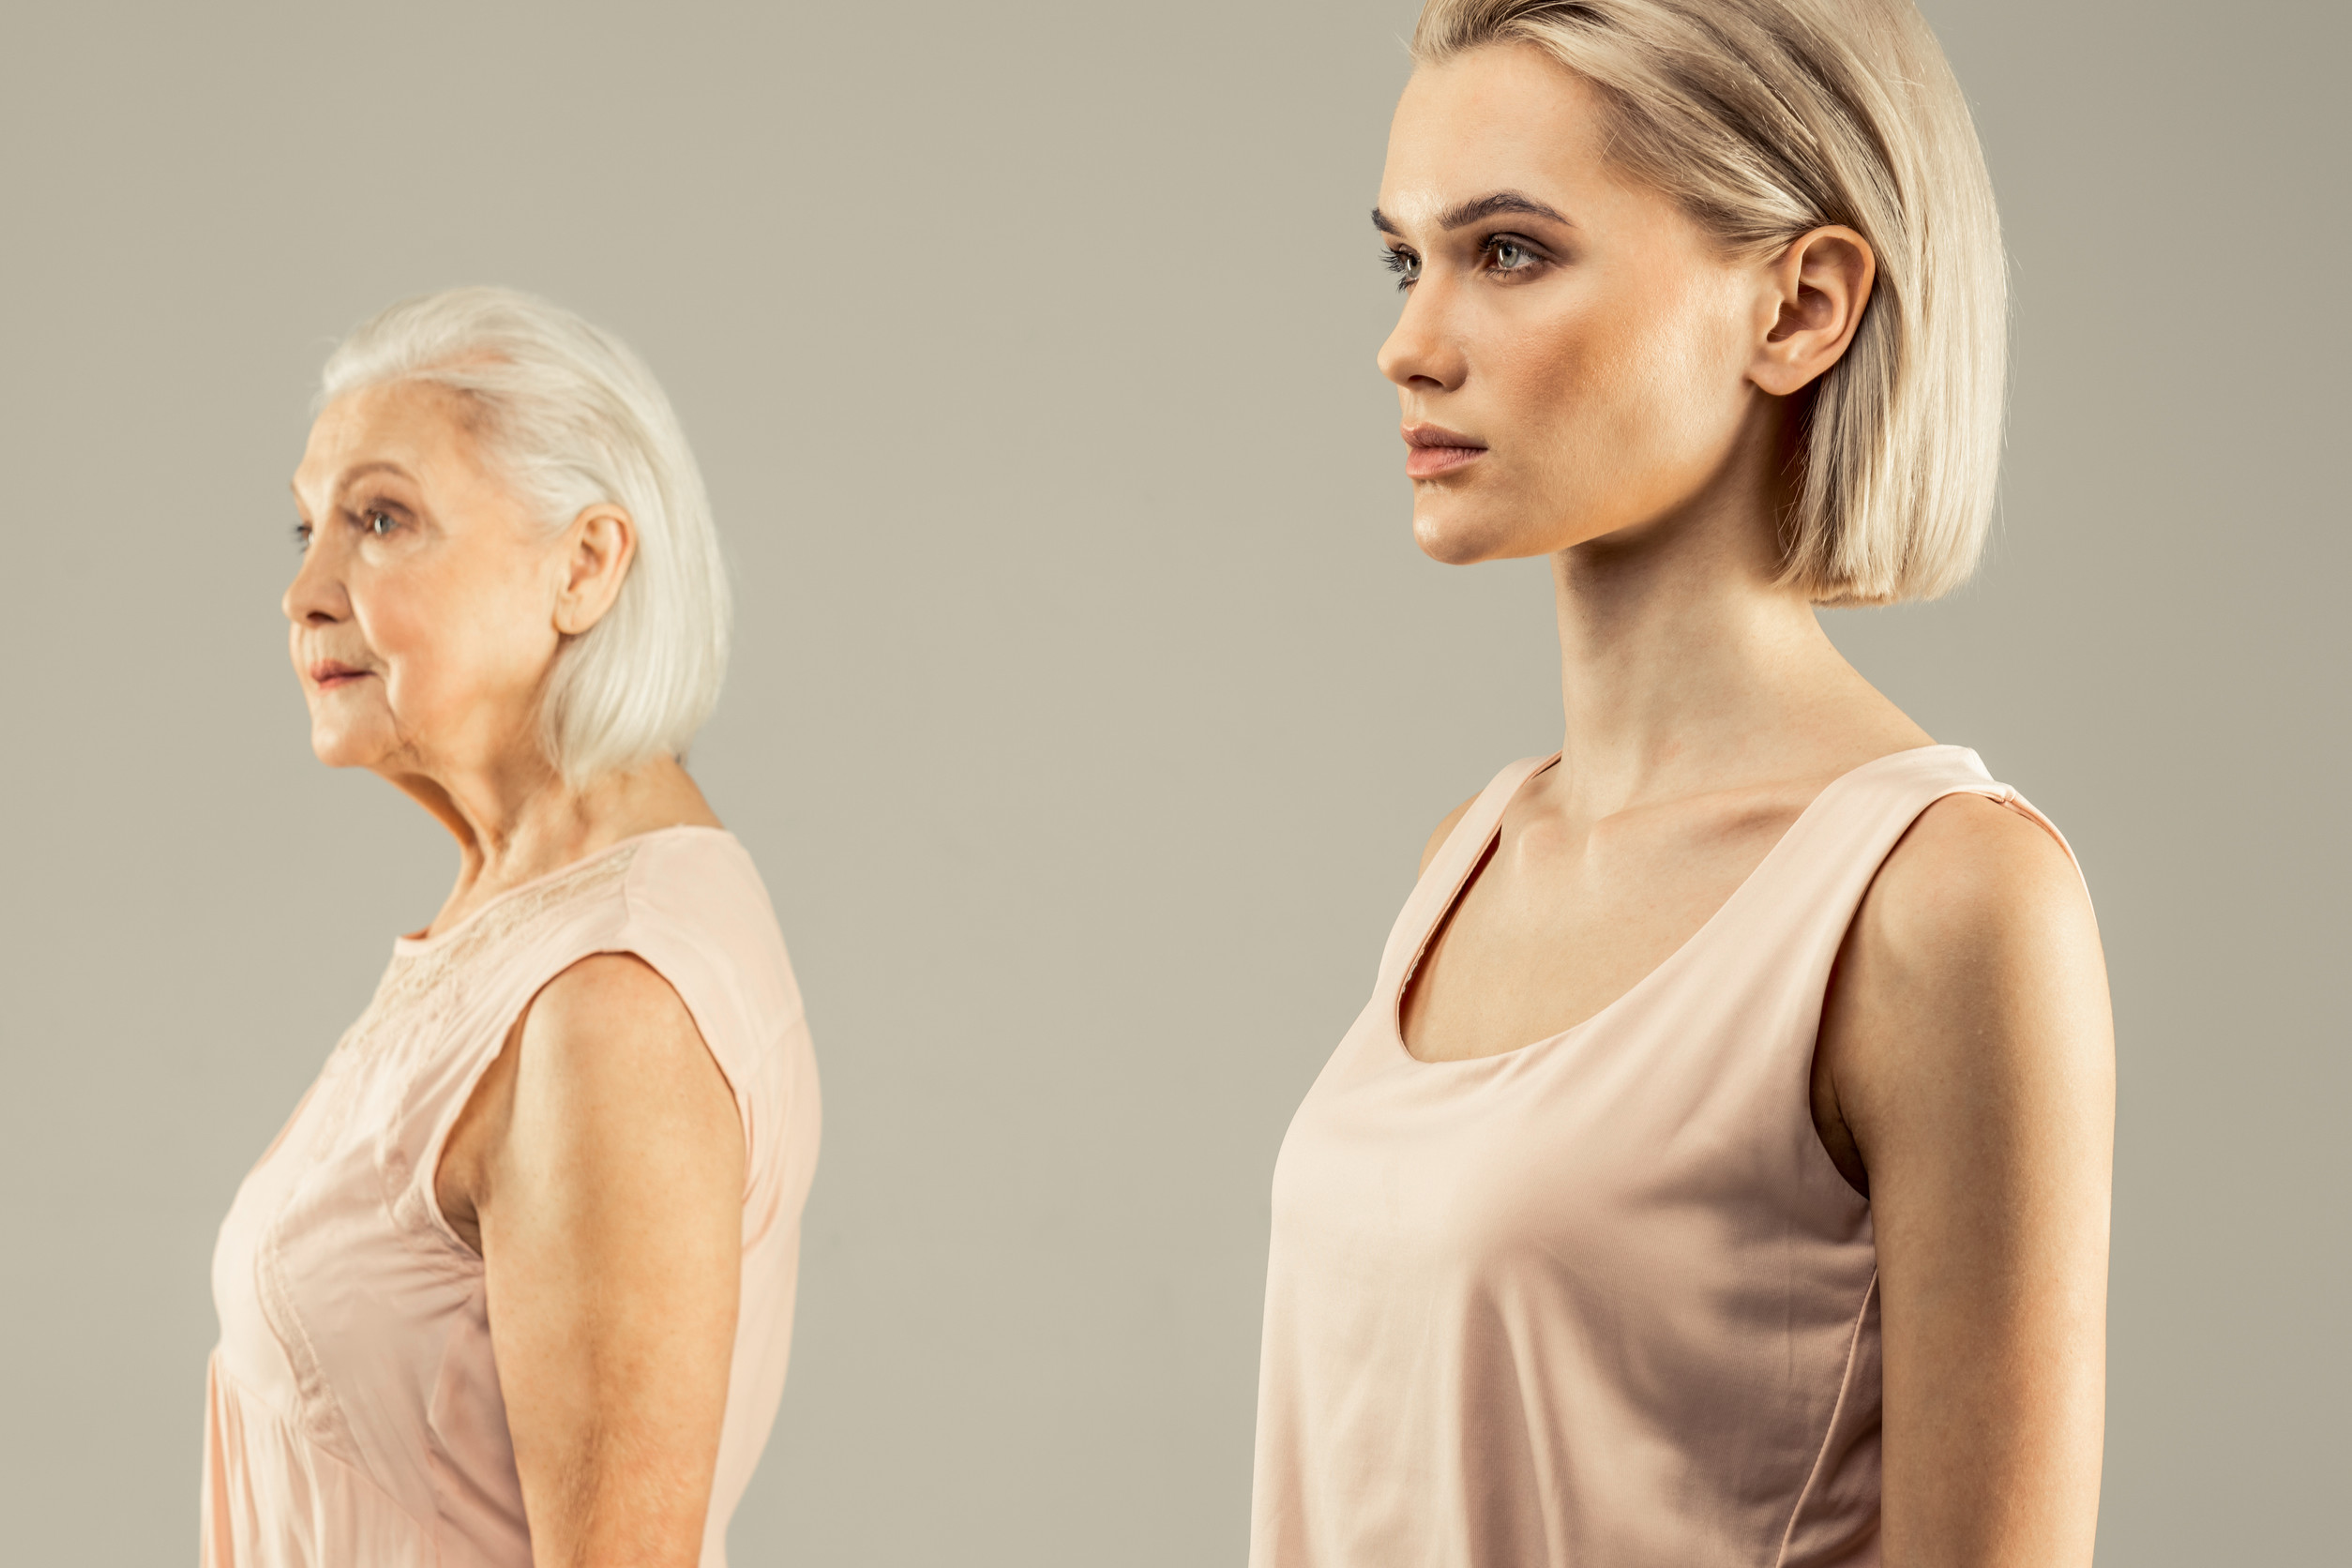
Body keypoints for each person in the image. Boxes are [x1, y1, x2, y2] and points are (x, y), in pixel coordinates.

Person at [1248, 3, 2113, 1565]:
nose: (1407, 341)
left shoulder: (1946, 903)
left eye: (1508, 251)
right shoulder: (1476, 854)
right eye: (1404, 257)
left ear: (1801, 306)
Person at [204, 286, 820, 1568]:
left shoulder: (612, 1000)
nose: (303, 591)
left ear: (585, 566)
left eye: (380, 520)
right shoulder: (520, 913)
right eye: (310, 527)